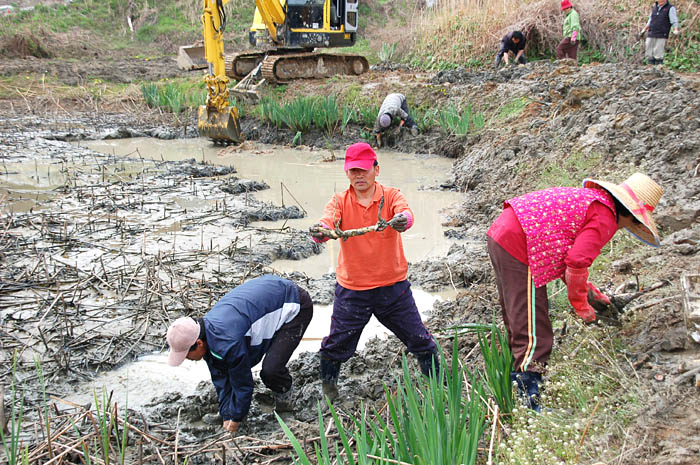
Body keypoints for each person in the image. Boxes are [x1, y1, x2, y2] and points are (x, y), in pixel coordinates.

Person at [486, 173, 663, 411]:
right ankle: (530, 401)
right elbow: (577, 262)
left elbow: (563, 255)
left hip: (505, 232)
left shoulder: (594, 202)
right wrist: (582, 308)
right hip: (519, 241)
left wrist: (593, 295)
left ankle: (521, 386)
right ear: (630, 215)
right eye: (633, 223)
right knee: (533, 325)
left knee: (517, 312)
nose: (627, 228)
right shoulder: (605, 217)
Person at [309, 142, 439, 401]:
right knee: (336, 345)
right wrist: (319, 232)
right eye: (353, 171)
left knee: (420, 340)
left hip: (393, 288)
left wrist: (403, 220)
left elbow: (406, 214)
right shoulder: (339, 201)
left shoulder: (390, 197)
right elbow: (327, 224)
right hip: (353, 290)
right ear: (347, 173)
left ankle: (439, 386)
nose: (359, 176)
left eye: (364, 170)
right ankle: (329, 390)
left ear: (376, 169)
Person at [165, 275, 313, 432]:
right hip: (269, 296)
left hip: (294, 303)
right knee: (232, 370)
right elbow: (221, 378)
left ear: (198, 343)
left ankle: (286, 401)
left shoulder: (228, 342)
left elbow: (243, 384)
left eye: (186, 355)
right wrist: (226, 415)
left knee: (271, 370)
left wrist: (235, 422)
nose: (188, 359)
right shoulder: (205, 333)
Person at [641, 0, 680, 65]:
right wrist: (645, 29)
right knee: (648, 46)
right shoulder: (655, 7)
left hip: (662, 32)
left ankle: (659, 66)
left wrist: (676, 29)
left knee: (658, 49)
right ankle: (650, 65)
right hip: (652, 31)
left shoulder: (670, 8)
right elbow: (650, 19)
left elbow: (674, 20)